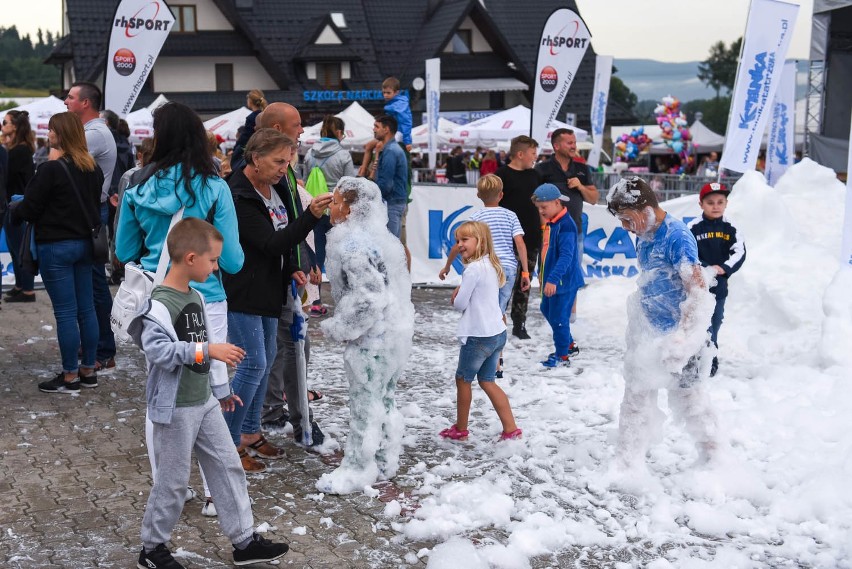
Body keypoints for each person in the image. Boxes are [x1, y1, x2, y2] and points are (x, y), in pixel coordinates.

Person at [128, 217, 290, 569]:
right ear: (190, 258)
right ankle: (152, 549)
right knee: (171, 483)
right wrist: (206, 352)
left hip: (204, 403)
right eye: (212, 260)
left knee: (229, 466)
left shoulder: (197, 296)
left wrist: (221, 390)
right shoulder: (156, 306)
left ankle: (244, 542)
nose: (217, 268)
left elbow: (207, 347)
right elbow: (160, 354)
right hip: (175, 410)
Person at [115, 101, 245, 516]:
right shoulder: (215, 188)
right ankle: (214, 493)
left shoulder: (136, 187)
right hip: (207, 300)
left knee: (162, 390)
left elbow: (122, 251)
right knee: (212, 390)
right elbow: (234, 260)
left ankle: (168, 485)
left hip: (160, 299)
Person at [224, 129, 332, 473]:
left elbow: (283, 243)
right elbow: (269, 243)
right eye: (278, 162)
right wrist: (311, 216)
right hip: (243, 289)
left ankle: (251, 432)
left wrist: (294, 268)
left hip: (271, 287)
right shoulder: (238, 193)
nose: (284, 169)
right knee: (253, 363)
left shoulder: (277, 187)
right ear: (255, 158)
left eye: (288, 162)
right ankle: (227, 445)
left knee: (267, 357)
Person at [606, 176, 718, 468]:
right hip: (649, 332)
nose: (624, 227)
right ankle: (627, 462)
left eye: (627, 219)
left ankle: (715, 459)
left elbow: (697, 291)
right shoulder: (644, 233)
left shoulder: (677, 236)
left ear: (645, 209)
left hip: (678, 336)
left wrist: (683, 337)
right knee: (635, 397)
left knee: (692, 401)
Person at [315, 176, 414, 494]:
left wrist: (338, 328)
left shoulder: (353, 244)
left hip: (373, 339)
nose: (332, 204)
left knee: (364, 404)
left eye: (337, 200)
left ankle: (358, 467)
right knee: (383, 399)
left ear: (351, 208)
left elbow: (368, 297)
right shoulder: (376, 238)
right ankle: (385, 459)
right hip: (393, 333)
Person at [10, 112, 102, 393]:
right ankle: (89, 369)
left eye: (51, 130)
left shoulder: (50, 170)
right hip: (86, 245)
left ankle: (70, 375)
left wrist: (16, 207)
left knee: (65, 313)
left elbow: (31, 208)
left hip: (56, 246)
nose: (48, 134)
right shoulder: (93, 169)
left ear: (61, 134)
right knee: (87, 310)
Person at [252, 103, 325, 448]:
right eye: (298, 125)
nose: (302, 130)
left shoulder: (282, 172)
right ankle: (283, 419)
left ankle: (282, 415)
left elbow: (290, 221)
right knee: (286, 347)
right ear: (279, 127)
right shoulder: (258, 176)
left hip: (287, 272)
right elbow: (284, 227)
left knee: (289, 347)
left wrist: (303, 260)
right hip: (267, 280)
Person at [439, 174, 530, 376]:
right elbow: (520, 244)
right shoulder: (510, 215)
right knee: (499, 311)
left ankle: (482, 350)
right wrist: (525, 270)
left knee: (482, 307)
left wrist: (446, 267)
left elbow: (458, 245)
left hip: (485, 267)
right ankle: (498, 357)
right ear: (501, 195)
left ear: (479, 195)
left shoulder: (476, 218)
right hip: (507, 267)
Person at [439, 221, 521, 442]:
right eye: (458, 240)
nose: (460, 244)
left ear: (480, 242)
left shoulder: (473, 269)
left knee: (463, 379)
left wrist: (456, 293)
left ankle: (461, 429)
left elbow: (460, 303)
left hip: (478, 336)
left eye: (464, 240)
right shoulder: (491, 265)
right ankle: (511, 429)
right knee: (487, 381)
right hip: (496, 333)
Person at [64, 82, 117, 372]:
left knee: (94, 284)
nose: (66, 101)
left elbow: (61, 160)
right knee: (87, 282)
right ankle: (95, 345)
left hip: (90, 212)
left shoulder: (93, 134)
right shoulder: (91, 132)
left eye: (71, 97)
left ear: (85, 103)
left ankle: (104, 349)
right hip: (88, 210)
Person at [536, 128, 598, 323]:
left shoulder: (582, 169)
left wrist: (580, 186)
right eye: (569, 143)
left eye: (574, 142)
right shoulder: (542, 169)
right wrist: (544, 229)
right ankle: (550, 316)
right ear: (556, 146)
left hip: (574, 232)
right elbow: (534, 201)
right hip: (550, 233)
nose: (574, 146)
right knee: (548, 274)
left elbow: (595, 198)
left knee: (570, 274)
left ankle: (570, 318)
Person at [687, 183, 746, 377]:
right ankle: (697, 357)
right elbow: (687, 253)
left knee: (715, 320)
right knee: (699, 322)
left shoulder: (731, 228)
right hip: (698, 285)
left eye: (720, 202)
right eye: (710, 202)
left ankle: (710, 355)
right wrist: (705, 268)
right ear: (701, 204)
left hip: (720, 286)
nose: (715, 206)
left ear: (726, 204)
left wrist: (725, 268)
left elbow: (739, 252)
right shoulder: (692, 228)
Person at [303, 114, 356, 316]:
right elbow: (350, 186)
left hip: (315, 206)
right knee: (343, 253)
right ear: (340, 133)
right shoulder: (343, 155)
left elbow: (306, 180)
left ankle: (314, 301)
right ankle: (346, 302)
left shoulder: (309, 153)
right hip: (338, 208)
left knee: (315, 253)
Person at [531, 184, 585, 367]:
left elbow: (567, 256)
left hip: (564, 281)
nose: (541, 211)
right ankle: (568, 344)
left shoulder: (566, 226)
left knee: (559, 317)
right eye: (538, 208)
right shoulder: (553, 222)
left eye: (544, 207)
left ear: (556, 202)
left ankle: (562, 356)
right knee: (547, 310)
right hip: (552, 279)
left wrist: (553, 279)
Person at [495, 135, 542, 339]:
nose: (535, 158)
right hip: (505, 239)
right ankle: (496, 319)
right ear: (520, 154)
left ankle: (519, 322)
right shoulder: (501, 175)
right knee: (502, 280)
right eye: (533, 154)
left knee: (525, 280)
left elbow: (540, 204)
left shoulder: (535, 176)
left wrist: (543, 227)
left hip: (530, 237)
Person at [2, 110, 36, 303]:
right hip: (15, 202)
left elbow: (7, 177)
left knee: (20, 248)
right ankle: (20, 285)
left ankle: (28, 290)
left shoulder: (18, 151)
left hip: (17, 204)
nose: (3, 125)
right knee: (15, 248)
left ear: (14, 126)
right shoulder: (18, 149)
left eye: (5, 122)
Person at [372, 114, 407, 238]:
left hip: (391, 203)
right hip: (394, 202)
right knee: (392, 245)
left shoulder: (390, 151)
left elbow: (386, 184)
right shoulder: (391, 149)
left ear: (386, 129)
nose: (374, 129)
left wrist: (372, 197)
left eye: (377, 126)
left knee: (390, 246)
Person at [232, 89, 268, 168]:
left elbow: (245, 137)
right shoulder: (267, 115)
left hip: (253, 150)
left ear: (250, 101)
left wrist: (235, 149)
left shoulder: (251, 118)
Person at [381, 77, 412, 152]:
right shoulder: (392, 103)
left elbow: (406, 123)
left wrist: (407, 141)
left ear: (396, 92)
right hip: (394, 132)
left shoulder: (400, 105)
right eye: (384, 92)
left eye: (388, 93)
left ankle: (377, 163)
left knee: (379, 146)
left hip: (400, 133)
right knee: (370, 145)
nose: (385, 95)